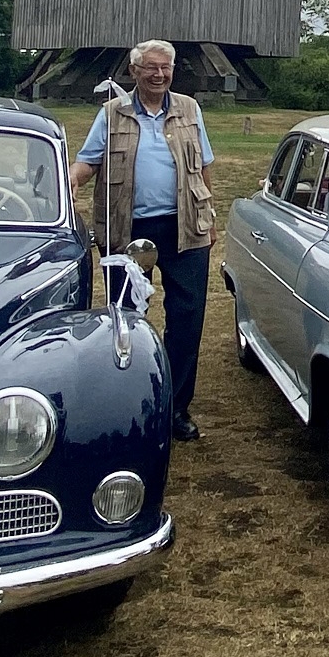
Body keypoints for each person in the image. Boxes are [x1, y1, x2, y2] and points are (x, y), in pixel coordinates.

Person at [69, 40, 216, 442]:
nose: (159, 75)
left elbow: (203, 166)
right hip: (127, 231)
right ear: (134, 71)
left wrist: (210, 216)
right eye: (151, 68)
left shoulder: (189, 109)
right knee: (128, 319)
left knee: (188, 319)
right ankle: (132, 405)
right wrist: (73, 179)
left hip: (184, 228)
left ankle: (174, 407)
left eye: (165, 68)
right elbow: (90, 159)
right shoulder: (112, 114)